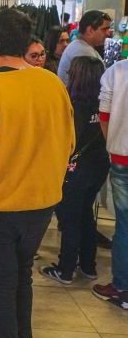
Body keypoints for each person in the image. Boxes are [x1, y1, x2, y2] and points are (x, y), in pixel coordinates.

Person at [0, 9, 75, 338]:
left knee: (0, 286)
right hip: (42, 202)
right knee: (23, 275)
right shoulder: (52, 83)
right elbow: (69, 142)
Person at [40, 56, 109, 285]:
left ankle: (66, 268)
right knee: (86, 215)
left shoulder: (73, 107)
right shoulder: (103, 104)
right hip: (98, 166)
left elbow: (66, 141)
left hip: (74, 169)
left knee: (69, 219)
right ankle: (88, 265)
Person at [92, 56, 128, 308]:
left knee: (125, 225)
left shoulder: (117, 71)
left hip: (121, 156)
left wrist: (111, 145)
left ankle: (121, 286)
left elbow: (104, 115)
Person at [58, 10, 112, 84]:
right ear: (90, 31)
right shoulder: (83, 51)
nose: (108, 33)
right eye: (104, 29)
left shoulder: (80, 46)